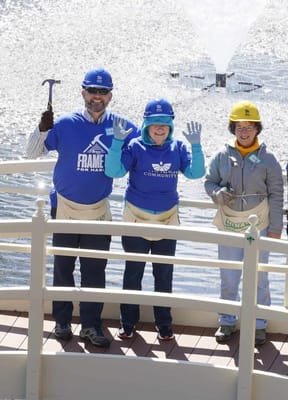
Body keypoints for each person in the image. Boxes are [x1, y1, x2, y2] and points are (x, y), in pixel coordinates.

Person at [26, 68, 140, 347]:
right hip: (63, 207)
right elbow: (31, 154)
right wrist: (41, 129)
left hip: (98, 210)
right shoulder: (65, 123)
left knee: (94, 270)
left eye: (103, 92)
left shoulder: (122, 127)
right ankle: (62, 322)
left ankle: (91, 326)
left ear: (110, 95)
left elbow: (147, 146)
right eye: (92, 91)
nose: (97, 97)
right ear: (83, 93)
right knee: (63, 268)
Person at [105, 98, 205, 340]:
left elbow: (196, 173)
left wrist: (197, 146)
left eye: (165, 124)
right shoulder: (136, 146)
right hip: (136, 219)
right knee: (133, 273)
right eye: (154, 124)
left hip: (167, 219)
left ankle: (164, 325)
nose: (160, 129)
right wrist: (117, 142)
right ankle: (128, 323)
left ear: (170, 126)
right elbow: (113, 171)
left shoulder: (178, 148)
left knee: (163, 275)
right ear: (146, 126)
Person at [204, 100, 283, 346]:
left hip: (258, 224)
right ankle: (226, 322)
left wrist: (276, 228)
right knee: (228, 275)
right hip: (229, 223)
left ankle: (259, 325)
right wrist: (216, 194)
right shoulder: (221, 155)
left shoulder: (269, 159)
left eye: (249, 126)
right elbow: (209, 182)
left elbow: (277, 194)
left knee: (260, 277)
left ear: (257, 128)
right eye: (239, 126)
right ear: (233, 128)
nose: (244, 131)